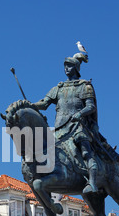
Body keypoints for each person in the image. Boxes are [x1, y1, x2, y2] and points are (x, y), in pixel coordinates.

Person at [32, 53, 100, 193]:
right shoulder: (58, 88)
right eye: (65, 66)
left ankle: (92, 181)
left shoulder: (84, 86)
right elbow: (44, 104)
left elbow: (91, 106)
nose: (66, 69)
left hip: (77, 126)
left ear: (76, 68)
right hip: (60, 129)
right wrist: (31, 105)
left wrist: (80, 114)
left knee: (85, 148)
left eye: (69, 66)